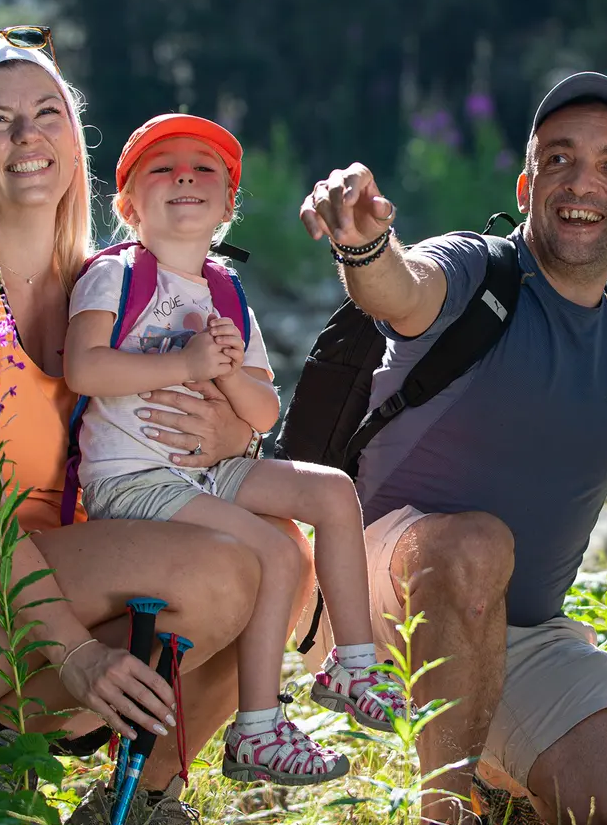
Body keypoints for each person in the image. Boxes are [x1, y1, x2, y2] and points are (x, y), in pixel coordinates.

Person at [0, 25, 273, 825]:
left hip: (69, 581)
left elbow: (213, 421)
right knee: (230, 571)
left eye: (46, 113)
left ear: (74, 142)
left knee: (285, 560)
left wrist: (230, 434)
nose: (27, 137)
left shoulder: (105, 285)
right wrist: (78, 655)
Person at [297, 73, 607, 825]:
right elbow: (399, 290)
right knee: (477, 543)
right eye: (560, 159)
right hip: (364, 588)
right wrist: (364, 247)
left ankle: (507, 820)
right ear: (526, 186)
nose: (583, 182)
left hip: (512, 627)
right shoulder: (476, 272)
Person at [65, 114, 406, 787]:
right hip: (133, 480)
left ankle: (354, 661)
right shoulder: (114, 276)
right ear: (128, 204)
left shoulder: (223, 289)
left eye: (205, 169)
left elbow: (262, 409)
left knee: (332, 492)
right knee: (278, 550)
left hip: (207, 471)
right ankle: (259, 727)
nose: (185, 175)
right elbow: (84, 370)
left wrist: (221, 373)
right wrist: (186, 362)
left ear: (227, 206)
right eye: (162, 168)